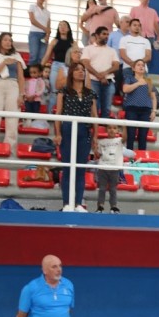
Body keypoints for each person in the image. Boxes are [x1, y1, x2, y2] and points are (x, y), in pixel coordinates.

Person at [55, 62, 98, 212]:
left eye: (83, 70)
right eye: (77, 70)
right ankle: (67, 203)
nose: (81, 72)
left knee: (80, 169)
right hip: (68, 129)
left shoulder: (90, 93)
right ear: (71, 73)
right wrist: (58, 133)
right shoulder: (64, 91)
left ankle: (78, 203)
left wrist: (95, 136)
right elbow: (58, 113)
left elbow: (95, 116)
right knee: (68, 168)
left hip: (84, 130)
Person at [0, 33, 25, 146]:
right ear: (0, 42)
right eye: (5, 40)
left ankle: (10, 147)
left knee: (12, 118)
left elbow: (21, 77)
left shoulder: (16, 57)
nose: (8, 42)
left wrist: (21, 94)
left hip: (13, 85)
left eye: (10, 40)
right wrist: (3, 63)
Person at [81, 26, 119, 119]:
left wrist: (104, 74)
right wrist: (100, 76)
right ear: (97, 35)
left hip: (108, 81)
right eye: (104, 34)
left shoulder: (112, 50)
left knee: (107, 107)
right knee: (94, 106)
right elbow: (86, 64)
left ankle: (104, 125)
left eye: (107, 34)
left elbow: (116, 66)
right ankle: (94, 126)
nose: (106, 36)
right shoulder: (88, 49)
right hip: (93, 81)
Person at [95, 123, 131, 214]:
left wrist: (124, 126)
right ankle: (100, 206)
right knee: (102, 189)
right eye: (109, 128)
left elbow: (125, 138)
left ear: (117, 131)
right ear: (106, 130)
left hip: (115, 169)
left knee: (113, 189)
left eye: (114, 128)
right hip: (103, 168)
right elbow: (98, 155)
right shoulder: (102, 142)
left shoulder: (119, 141)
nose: (112, 130)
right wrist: (95, 148)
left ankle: (113, 207)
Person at [122, 59, 157, 151]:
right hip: (131, 109)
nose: (141, 67)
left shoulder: (148, 81)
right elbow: (125, 89)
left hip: (145, 110)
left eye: (143, 65)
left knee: (143, 136)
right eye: (138, 65)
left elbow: (153, 97)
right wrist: (138, 83)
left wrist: (154, 111)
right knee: (131, 134)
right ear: (133, 68)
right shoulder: (129, 78)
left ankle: (141, 156)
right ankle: (129, 156)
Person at [41, 21, 75, 115]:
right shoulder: (54, 41)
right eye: (60, 25)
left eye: (64, 25)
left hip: (67, 66)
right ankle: (50, 115)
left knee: (66, 90)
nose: (62, 27)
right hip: (55, 65)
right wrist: (40, 66)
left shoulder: (73, 42)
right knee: (54, 91)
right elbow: (47, 55)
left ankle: (64, 114)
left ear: (68, 29)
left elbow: (75, 56)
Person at [108, 15, 130, 98]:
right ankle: (116, 95)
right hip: (116, 62)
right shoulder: (112, 35)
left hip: (128, 63)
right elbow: (108, 48)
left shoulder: (131, 36)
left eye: (129, 22)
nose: (129, 24)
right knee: (117, 78)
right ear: (120, 23)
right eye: (127, 22)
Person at [28, 0, 51, 65]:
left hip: (44, 35)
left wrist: (47, 36)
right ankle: (30, 72)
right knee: (34, 56)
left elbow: (48, 26)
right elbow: (32, 21)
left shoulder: (47, 12)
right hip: (34, 34)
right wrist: (44, 29)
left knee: (41, 57)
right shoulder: (32, 7)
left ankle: (39, 72)